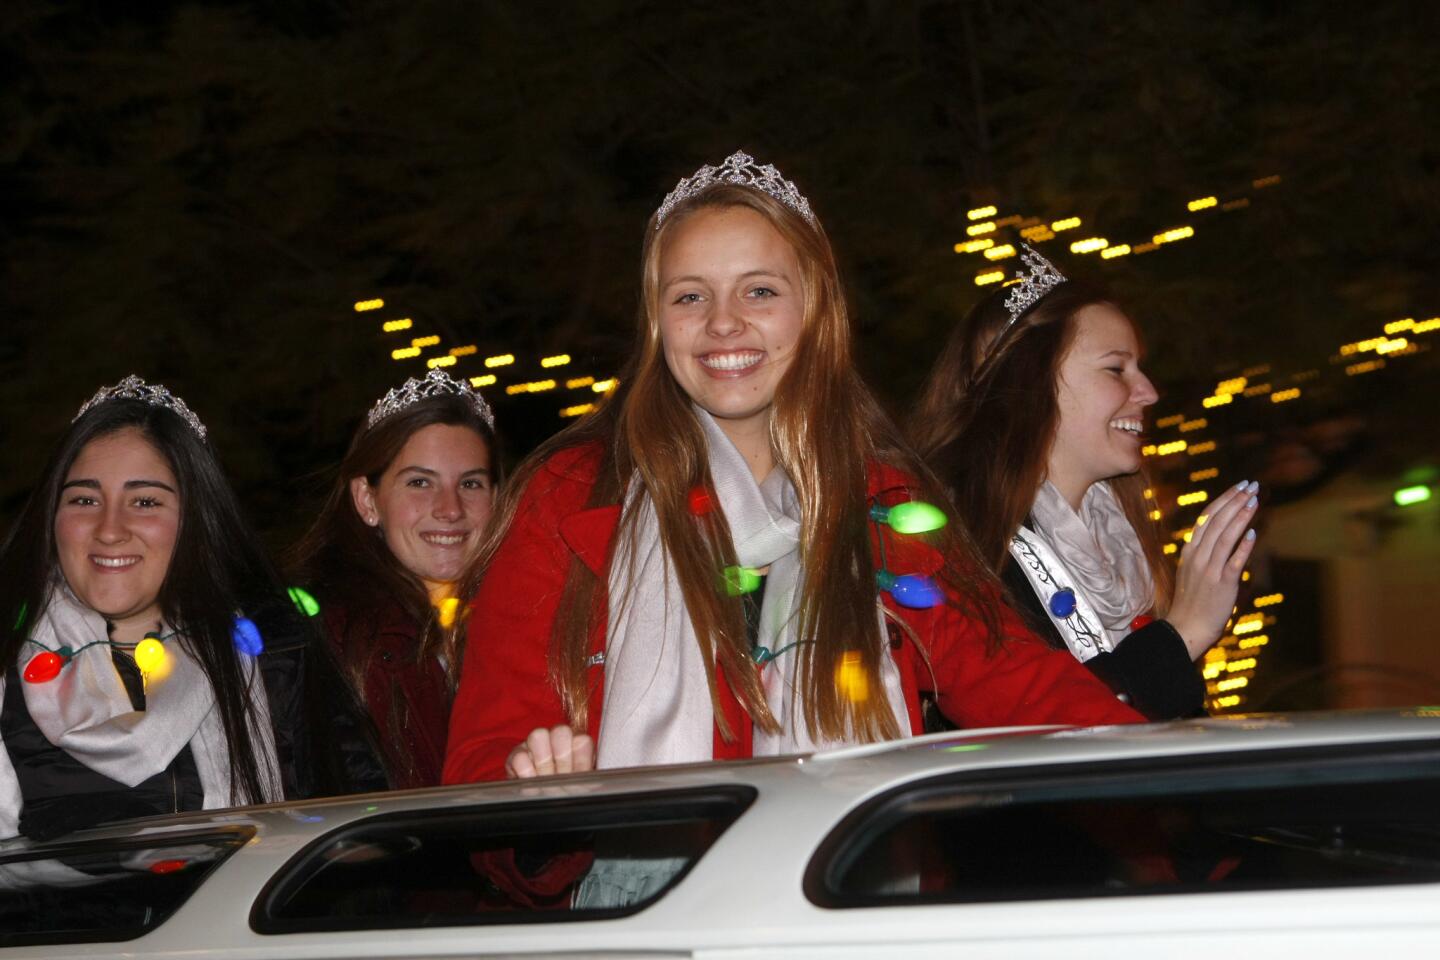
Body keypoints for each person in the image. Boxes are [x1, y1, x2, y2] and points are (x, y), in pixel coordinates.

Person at [444, 151, 1142, 787]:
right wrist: (532, 791)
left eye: (759, 292)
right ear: (656, 322)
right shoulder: (570, 494)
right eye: (690, 296)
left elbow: (1012, 678)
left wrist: (1169, 765)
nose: (723, 324)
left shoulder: (884, 497)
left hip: (838, 895)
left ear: (814, 311)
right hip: (643, 910)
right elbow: (482, 759)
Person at [0, 376, 368, 842]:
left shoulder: (277, 651)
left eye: (145, 501)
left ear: (196, 517)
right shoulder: (7, 661)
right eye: (85, 499)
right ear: (52, 515)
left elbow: (345, 843)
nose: (110, 529)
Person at [911, 247, 1259, 720]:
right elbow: (1033, 731)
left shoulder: (1124, 544)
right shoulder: (954, 554)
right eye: (1116, 368)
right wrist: (1185, 630)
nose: (1149, 393)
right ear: (1030, 383)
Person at [289, 370, 499, 789]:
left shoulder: (518, 625)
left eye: (470, 483)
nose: (450, 509)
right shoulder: (334, 645)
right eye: (420, 482)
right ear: (368, 500)